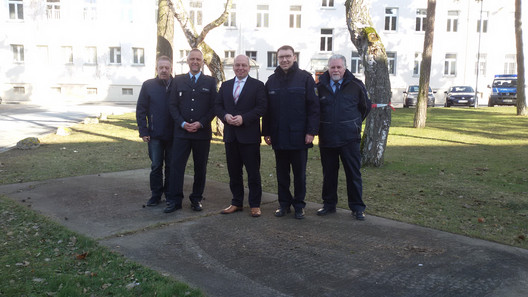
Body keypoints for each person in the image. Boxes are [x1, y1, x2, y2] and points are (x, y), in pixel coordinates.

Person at [262, 45, 320, 219]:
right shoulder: (271, 81)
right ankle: (284, 204)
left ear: (294, 57)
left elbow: (314, 108)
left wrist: (311, 132)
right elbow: (267, 111)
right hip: (279, 136)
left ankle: (299, 206)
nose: (284, 60)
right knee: (282, 174)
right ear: (277, 59)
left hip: (299, 137)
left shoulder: (305, 79)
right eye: (281, 57)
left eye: (288, 56)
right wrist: (266, 132)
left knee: (299, 175)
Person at [315, 54, 371, 220]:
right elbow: (314, 109)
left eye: (339, 67)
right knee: (329, 174)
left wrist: (353, 123)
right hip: (327, 138)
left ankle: (357, 207)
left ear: (345, 68)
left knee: (353, 174)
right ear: (328, 69)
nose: (336, 70)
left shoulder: (356, 85)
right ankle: (329, 205)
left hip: (349, 139)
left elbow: (365, 107)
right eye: (333, 67)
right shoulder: (320, 87)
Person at [215, 55, 267, 217]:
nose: (240, 68)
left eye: (243, 65)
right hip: (231, 136)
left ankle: (255, 204)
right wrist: (225, 116)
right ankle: (236, 202)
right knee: (234, 172)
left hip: (249, 136)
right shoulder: (226, 85)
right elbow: (217, 105)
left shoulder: (258, 86)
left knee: (253, 172)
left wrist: (244, 118)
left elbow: (262, 107)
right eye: (237, 65)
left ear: (249, 67)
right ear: (233, 67)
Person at [165, 49, 217, 213]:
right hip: (182, 133)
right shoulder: (178, 80)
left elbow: (213, 107)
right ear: (188, 61)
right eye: (192, 59)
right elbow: (172, 105)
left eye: (198, 59)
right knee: (176, 167)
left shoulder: (210, 81)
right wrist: (182, 123)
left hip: (201, 133)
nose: (195, 62)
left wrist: (201, 123)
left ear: (202, 62)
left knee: (200, 168)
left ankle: (196, 199)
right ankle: (175, 200)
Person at [136, 55, 174, 207]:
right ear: (156, 69)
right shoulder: (148, 85)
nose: (164, 70)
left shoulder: (177, 85)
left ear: (171, 69)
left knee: (171, 166)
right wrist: (143, 130)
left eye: (167, 68)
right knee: (156, 166)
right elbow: (141, 109)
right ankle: (156, 195)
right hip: (154, 134)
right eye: (161, 68)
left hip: (173, 135)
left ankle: (170, 194)